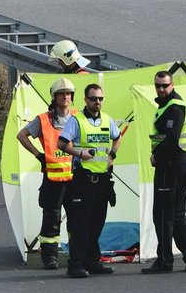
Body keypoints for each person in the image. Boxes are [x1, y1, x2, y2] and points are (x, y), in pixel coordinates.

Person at [57, 84, 121, 278]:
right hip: (84, 180)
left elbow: (117, 138)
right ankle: (75, 264)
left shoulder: (107, 120)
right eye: (93, 98)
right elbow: (61, 143)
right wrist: (79, 153)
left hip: (102, 180)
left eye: (100, 98)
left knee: (97, 223)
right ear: (85, 100)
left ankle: (92, 261)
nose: (97, 102)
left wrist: (112, 156)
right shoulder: (77, 120)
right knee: (81, 224)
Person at [17, 77, 77, 270]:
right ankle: (50, 257)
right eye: (62, 94)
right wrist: (38, 155)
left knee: (76, 218)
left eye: (68, 94)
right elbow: (22, 135)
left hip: (76, 177)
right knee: (52, 218)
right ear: (55, 96)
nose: (65, 97)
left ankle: (77, 255)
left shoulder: (78, 117)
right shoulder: (44, 120)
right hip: (52, 178)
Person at [141, 72, 186, 274]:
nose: (161, 89)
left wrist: (156, 155)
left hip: (172, 163)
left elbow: (172, 138)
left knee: (164, 215)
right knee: (176, 213)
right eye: (157, 85)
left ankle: (165, 262)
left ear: (172, 85)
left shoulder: (174, 107)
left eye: (164, 85)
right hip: (176, 163)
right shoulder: (167, 105)